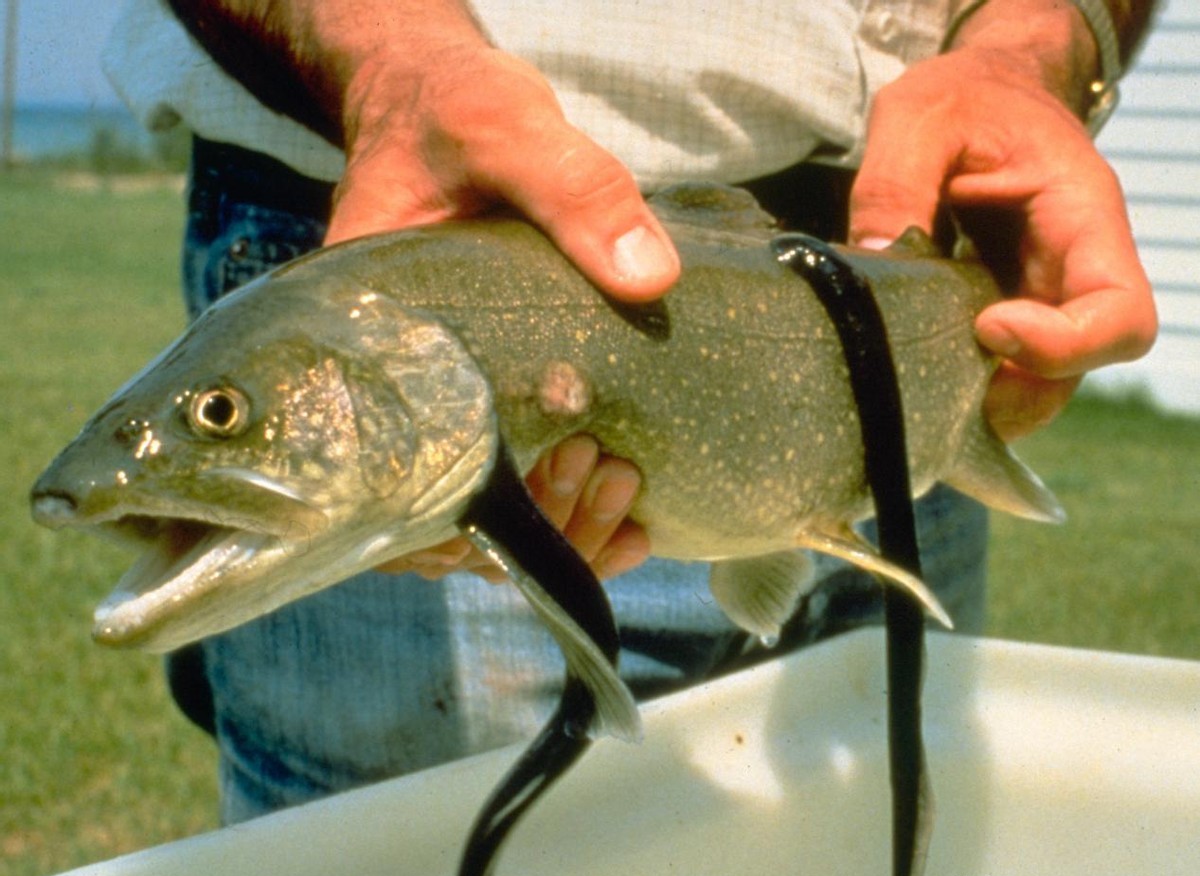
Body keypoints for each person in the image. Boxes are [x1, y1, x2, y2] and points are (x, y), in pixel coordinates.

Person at [103, 0, 1156, 823]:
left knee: (883, 871)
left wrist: (1033, 48)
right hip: (400, 203)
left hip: (904, 271)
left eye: (221, 418)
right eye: (223, 417)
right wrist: (391, 62)